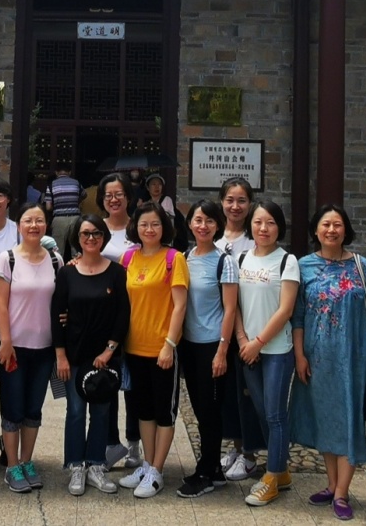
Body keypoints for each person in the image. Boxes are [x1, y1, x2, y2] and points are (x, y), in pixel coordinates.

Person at [290, 204, 366, 521]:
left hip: (354, 356)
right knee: (325, 418)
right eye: (325, 224)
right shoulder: (303, 266)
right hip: (317, 357)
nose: (331, 230)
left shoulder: (362, 266)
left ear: (346, 229)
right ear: (315, 230)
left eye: (337, 224)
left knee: (349, 419)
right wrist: (299, 355)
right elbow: (298, 316)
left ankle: (343, 492)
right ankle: (332, 484)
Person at [52, 214, 131, 497]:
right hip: (74, 355)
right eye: (85, 233)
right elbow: (56, 314)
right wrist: (60, 356)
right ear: (77, 237)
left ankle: (97, 464)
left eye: (97, 233)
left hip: (104, 356)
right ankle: (76, 465)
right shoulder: (67, 273)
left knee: (101, 411)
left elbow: (123, 314)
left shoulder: (116, 272)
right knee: (75, 411)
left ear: (104, 237)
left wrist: (110, 350)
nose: (91, 238)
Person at [118, 201, 190, 499]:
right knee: (142, 411)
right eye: (144, 224)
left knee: (164, 412)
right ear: (135, 227)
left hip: (162, 350)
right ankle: (148, 465)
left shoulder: (174, 259)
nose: (149, 229)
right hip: (133, 348)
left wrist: (169, 345)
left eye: (155, 224)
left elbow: (180, 306)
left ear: (165, 227)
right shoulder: (128, 258)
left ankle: (158, 470)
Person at [233, 199, 300, 507]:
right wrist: (243, 340)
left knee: (274, 414)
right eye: (258, 222)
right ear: (251, 225)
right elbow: (234, 303)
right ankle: (281, 471)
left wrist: (257, 342)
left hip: (276, 350)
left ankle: (272, 477)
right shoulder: (242, 258)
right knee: (261, 410)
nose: (264, 228)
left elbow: (286, 310)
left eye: (270, 222)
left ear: (279, 227)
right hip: (248, 349)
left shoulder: (287, 261)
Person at [0, 202, 61, 493]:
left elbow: (60, 301)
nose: (34, 226)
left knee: (34, 408)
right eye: (28, 220)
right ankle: (12, 466)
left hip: (44, 347)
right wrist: (5, 341)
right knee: (13, 407)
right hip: (14, 347)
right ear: (19, 225)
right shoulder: (7, 258)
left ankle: (27, 461)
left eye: (39, 220)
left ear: (46, 225)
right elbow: (0, 303)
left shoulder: (56, 260)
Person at [177, 198, 238, 498]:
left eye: (210, 221)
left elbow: (230, 309)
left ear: (218, 225)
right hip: (189, 345)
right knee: (201, 408)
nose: (203, 226)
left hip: (213, 344)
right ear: (190, 223)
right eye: (198, 220)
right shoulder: (184, 257)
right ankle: (214, 469)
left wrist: (222, 351)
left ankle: (205, 472)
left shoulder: (225, 261)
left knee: (210, 410)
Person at [215, 176, 262, 480]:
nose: (235, 206)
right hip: (218, 328)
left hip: (247, 329)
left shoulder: (255, 240)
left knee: (247, 393)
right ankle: (235, 446)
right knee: (227, 394)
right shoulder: (214, 239)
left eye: (241, 200)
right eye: (230, 200)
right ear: (221, 202)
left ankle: (250, 454)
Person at [93, 172, 140, 470]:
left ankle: (134, 443)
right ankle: (111, 443)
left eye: (119, 194)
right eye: (108, 195)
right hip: (105, 318)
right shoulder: (95, 229)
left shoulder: (140, 228)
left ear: (128, 197)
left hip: (138, 314)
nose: (113, 199)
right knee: (107, 382)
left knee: (133, 385)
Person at [44, 164, 85, 248]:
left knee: (57, 249)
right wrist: (76, 202)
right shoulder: (76, 183)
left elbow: (48, 207)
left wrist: (57, 206)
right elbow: (84, 194)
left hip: (59, 219)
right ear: (69, 172)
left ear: (56, 173)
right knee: (77, 248)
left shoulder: (51, 185)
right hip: (75, 218)